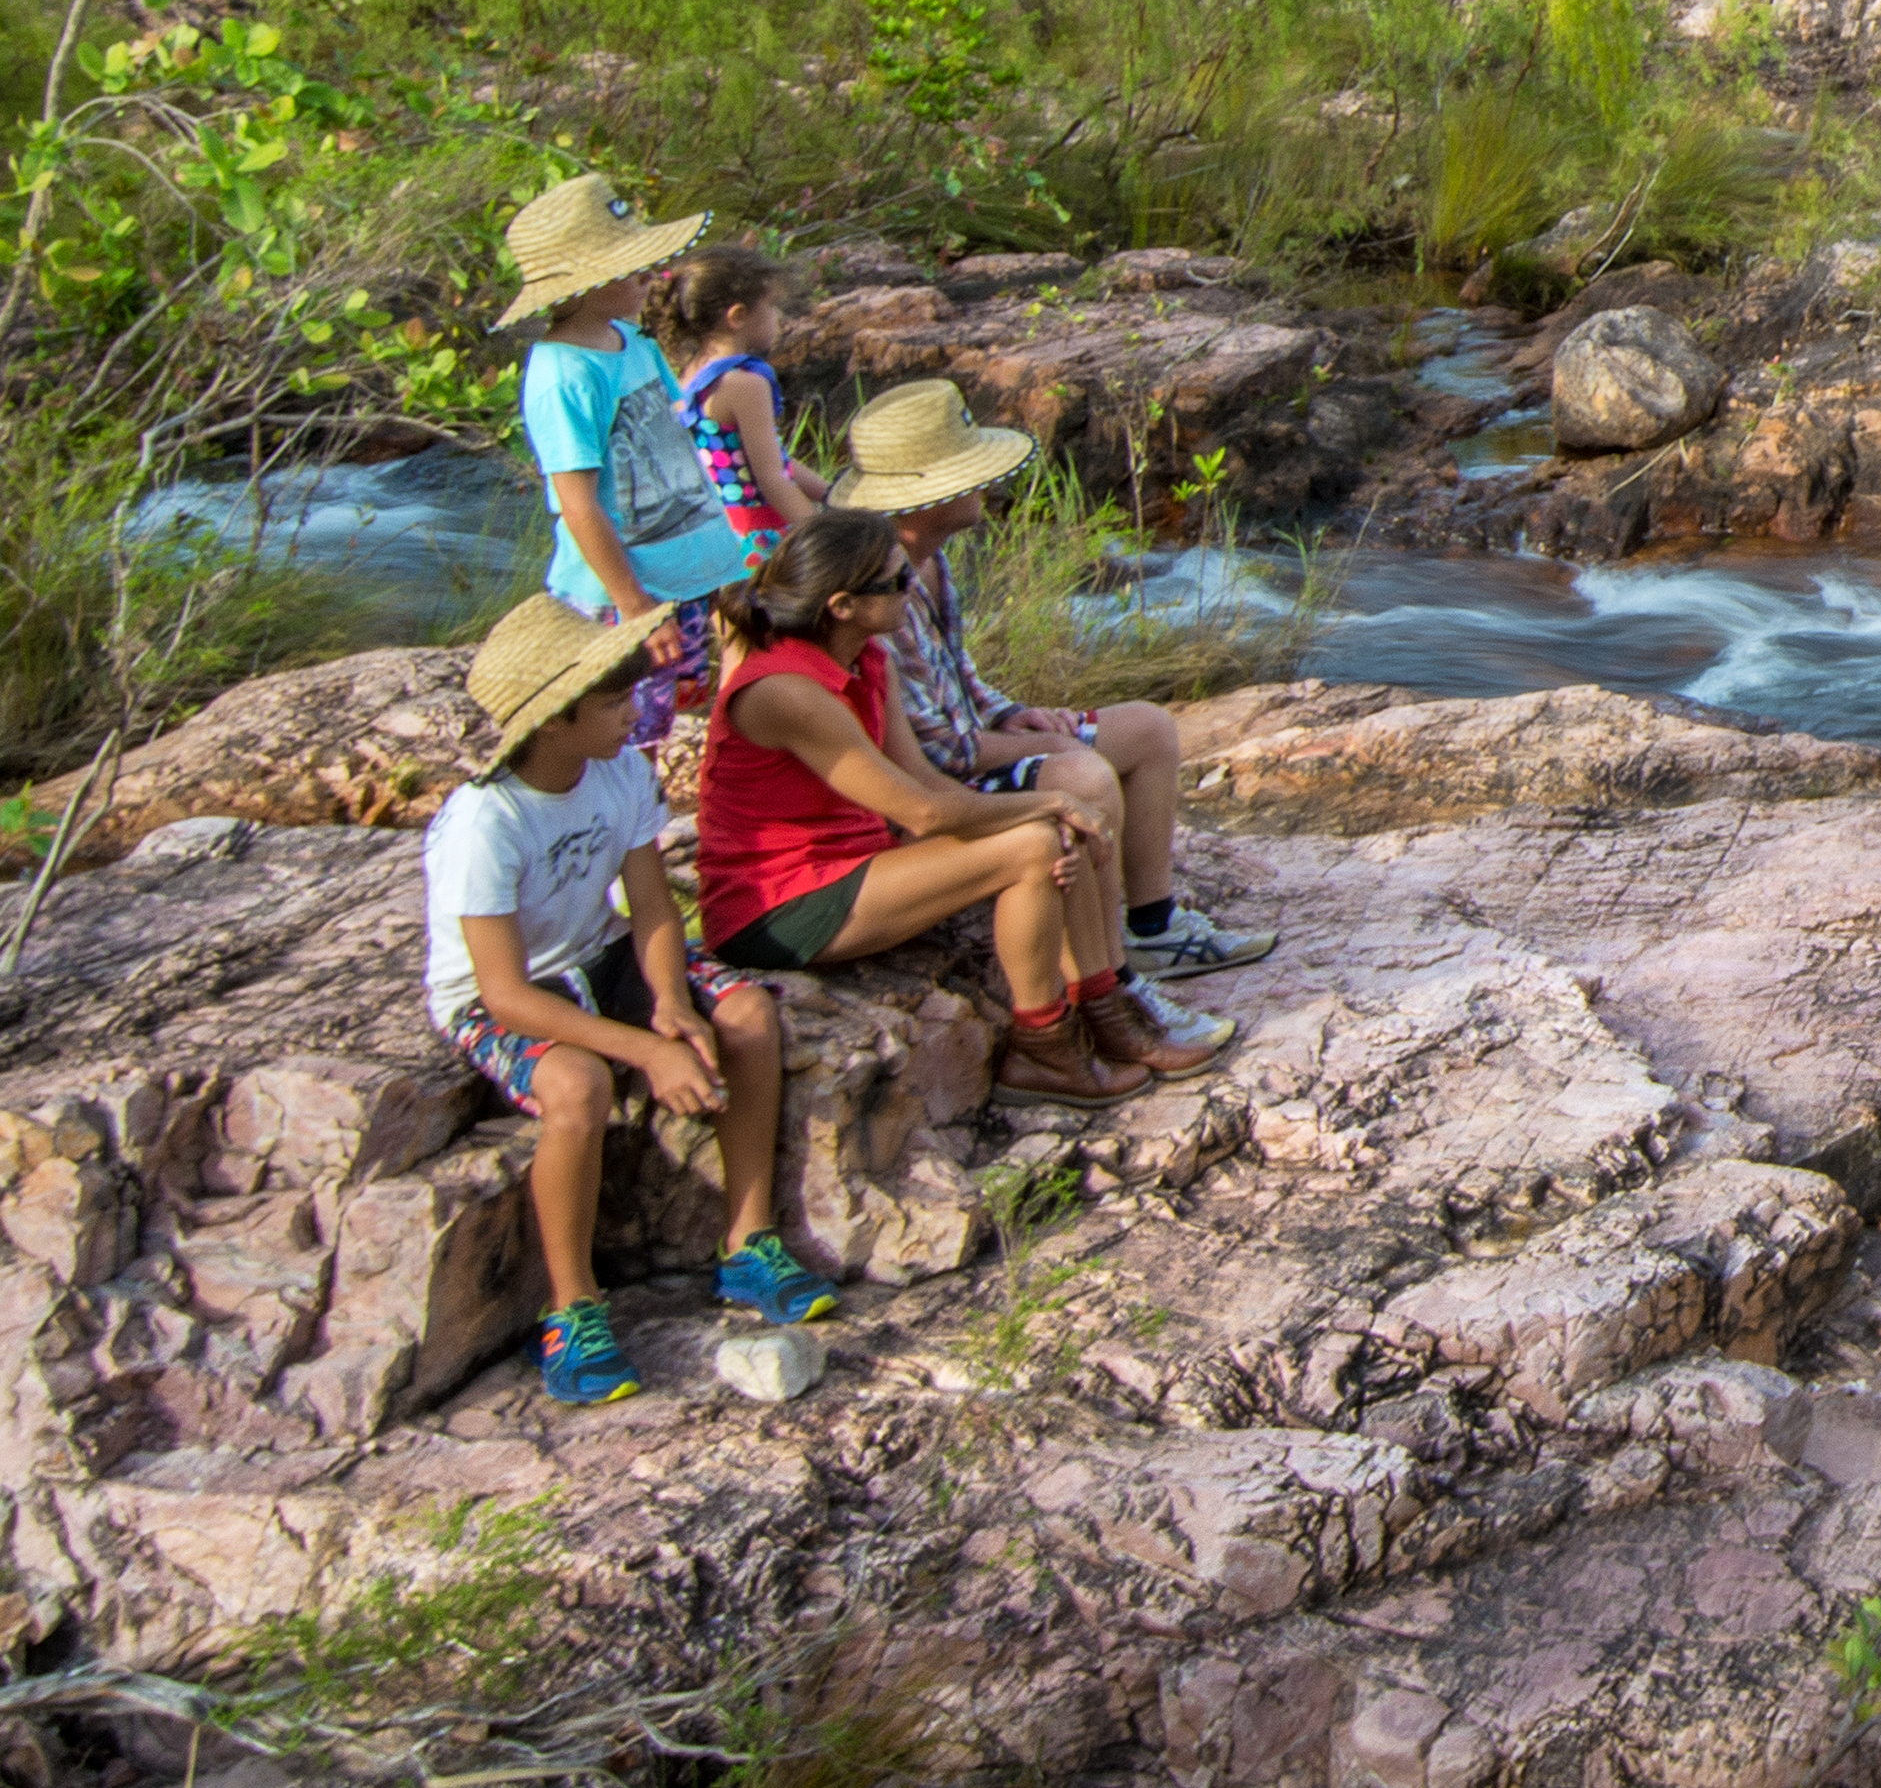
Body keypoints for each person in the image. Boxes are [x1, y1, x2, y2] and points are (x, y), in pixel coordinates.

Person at [430, 594, 833, 1409]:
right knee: (575, 1087)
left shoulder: (619, 770)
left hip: (600, 951)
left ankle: (750, 1239)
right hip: (503, 990)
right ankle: (572, 1307)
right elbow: (503, 991)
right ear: (552, 721)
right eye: (613, 702)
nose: (633, 713)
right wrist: (645, 1049)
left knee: (746, 1015)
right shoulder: (486, 821)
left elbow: (650, 906)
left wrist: (669, 1003)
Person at [692, 507, 1230, 1104]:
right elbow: (923, 811)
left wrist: (1055, 809)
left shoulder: (867, 657)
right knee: (1036, 843)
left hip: (855, 860)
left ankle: (1107, 1017)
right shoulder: (786, 690)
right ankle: (1045, 1050)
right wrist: (1051, 801)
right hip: (778, 906)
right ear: (842, 605)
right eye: (896, 583)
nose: (911, 589)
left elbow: (924, 778)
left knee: (1054, 829)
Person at [830, 380, 1274, 988]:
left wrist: (1013, 713)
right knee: (1080, 771)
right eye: (970, 472)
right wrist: (1049, 747)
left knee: (1147, 727)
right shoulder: (885, 591)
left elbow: (961, 679)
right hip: (931, 789)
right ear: (923, 499)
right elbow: (939, 752)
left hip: (968, 752)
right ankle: (1103, 969)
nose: (985, 485)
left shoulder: (930, 559)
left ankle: (1154, 925)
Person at [500, 172, 760, 747]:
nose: (653, 273)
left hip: (684, 578)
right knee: (619, 735)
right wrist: (635, 605)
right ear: (586, 282)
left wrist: (721, 564)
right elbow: (577, 504)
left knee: (659, 724)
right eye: (634, 264)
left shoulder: (632, 340)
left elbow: (679, 450)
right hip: (624, 597)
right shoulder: (563, 374)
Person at [655, 248, 825, 544]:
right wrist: (826, 541)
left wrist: (830, 492)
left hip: (722, 537)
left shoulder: (690, 375)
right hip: (761, 538)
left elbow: (772, 458)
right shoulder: (745, 383)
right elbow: (772, 478)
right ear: (738, 316)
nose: (778, 316)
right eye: (771, 306)